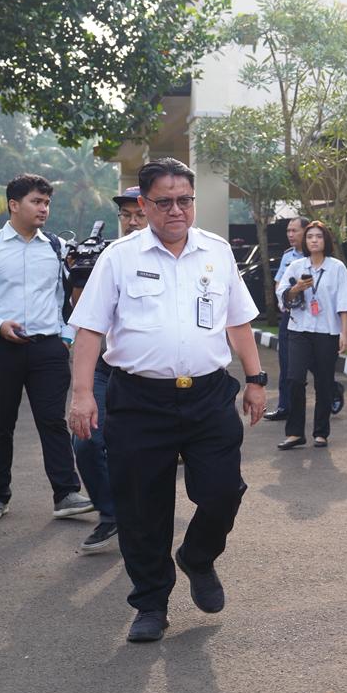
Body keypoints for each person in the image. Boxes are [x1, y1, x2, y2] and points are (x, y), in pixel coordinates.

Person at [67, 157, 267, 644]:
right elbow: (89, 328)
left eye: (185, 200)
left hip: (207, 395)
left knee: (223, 491)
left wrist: (256, 378)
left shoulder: (216, 253)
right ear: (143, 203)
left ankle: (198, 555)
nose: (176, 210)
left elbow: (237, 321)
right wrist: (80, 394)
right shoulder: (120, 257)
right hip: (138, 400)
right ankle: (151, 603)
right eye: (164, 201)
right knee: (141, 507)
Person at [0, 173, 94, 524]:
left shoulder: (56, 248)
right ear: (14, 205)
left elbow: (66, 299)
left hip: (48, 350)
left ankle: (66, 494)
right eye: (36, 201)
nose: (43, 208)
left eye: (46, 202)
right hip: (0, 349)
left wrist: (65, 336)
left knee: (52, 422)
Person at [68, 186, 147, 554]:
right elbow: (79, 311)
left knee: (142, 452)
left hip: (148, 376)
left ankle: (144, 521)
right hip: (104, 367)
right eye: (126, 215)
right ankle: (111, 513)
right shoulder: (106, 255)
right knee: (85, 441)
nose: (132, 222)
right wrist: (79, 271)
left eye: (139, 214)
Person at [274, 221, 347, 449]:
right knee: (294, 379)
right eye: (310, 237)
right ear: (305, 242)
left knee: (324, 382)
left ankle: (321, 432)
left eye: (318, 236)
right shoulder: (296, 266)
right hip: (299, 328)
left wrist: (344, 333)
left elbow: (343, 302)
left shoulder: (337, 267)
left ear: (325, 240)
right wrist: (297, 288)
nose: (314, 240)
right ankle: (295, 433)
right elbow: (282, 297)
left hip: (327, 330)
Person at [264, 217, 308, 423]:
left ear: (306, 231)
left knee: (317, 364)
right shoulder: (287, 256)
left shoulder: (317, 256)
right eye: (288, 231)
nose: (290, 235)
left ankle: (332, 392)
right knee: (286, 361)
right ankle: (284, 406)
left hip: (313, 317)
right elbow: (278, 283)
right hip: (290, 316)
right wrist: (283, 304)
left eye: (294, 231)